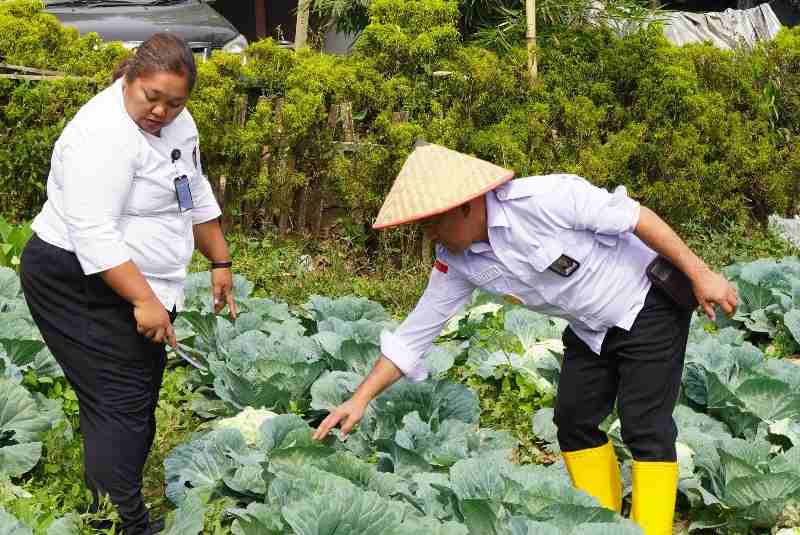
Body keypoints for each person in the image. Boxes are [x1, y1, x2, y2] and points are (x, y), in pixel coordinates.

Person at [313, 141, 738, 535]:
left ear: (463, 206)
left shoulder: (545, 199)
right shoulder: (456, 260)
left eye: (431, 222)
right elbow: (416, 332)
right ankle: (601, 524)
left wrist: (701, 274)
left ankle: (651, 530)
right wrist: (360, 398)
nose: (429, 235)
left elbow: (636, 217)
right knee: (573, 421)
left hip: (646, 305)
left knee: (645, 428)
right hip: (590, 328)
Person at [19, 33, 236, 535]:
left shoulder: (179, 125)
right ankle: (121, 524)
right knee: (120, 400)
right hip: (74, 278)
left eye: (175, 102)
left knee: (130, 397)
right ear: (129, 80)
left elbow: (192, 189)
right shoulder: (100, 135)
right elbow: (93, 231)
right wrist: (144, 300)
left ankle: (111, 511)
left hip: (131, 280)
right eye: (151, 98)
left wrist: (219, 260)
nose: (161, 110)